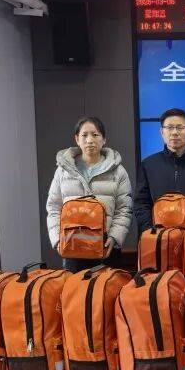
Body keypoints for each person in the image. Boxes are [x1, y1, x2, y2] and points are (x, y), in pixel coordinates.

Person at [46, 116, 133, 271]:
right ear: (77, 139)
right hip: (72, 246)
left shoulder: (118, 171)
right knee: (74, 286)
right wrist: (57, 238)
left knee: (106, 286)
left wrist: (114, 237)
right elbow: (53, 206)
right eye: (84, 135)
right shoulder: (63, 171)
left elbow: (124, 209)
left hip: (106, 248)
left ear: (104, 139)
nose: (90, 140)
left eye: (95, 135)